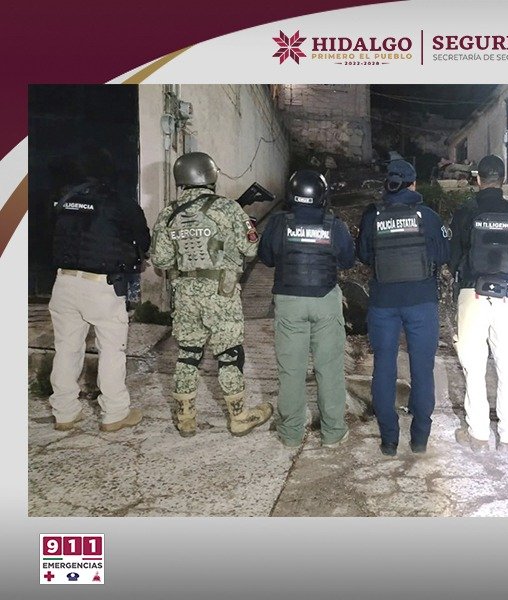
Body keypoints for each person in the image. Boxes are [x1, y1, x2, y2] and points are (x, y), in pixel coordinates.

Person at [151, 152, 272, 437]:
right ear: (211, 176)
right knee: (229, 355)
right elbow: (251, 248)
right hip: (221, 294)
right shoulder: (228, 208)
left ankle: (186, 419)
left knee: (188, 354)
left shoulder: (168, 213)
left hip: (185, 295)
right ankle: (239, 417)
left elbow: (161, 260)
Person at [48, 150, 150, 432]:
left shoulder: (63, 200)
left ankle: (65, 413)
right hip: (101, 287)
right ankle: (114, 414)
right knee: (111, 351)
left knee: (66, 349)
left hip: (64, 283)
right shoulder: (120, 202)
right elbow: (143, 240)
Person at [356, 159, 450, 456]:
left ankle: (389, 441)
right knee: (422, 369)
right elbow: (443, 253)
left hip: (383, 303)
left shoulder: (372, 216)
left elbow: (363, 254)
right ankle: (419, 439)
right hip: (421, 302)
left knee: (384, 368)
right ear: (413, 184)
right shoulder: (428, 216)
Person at [258, 170, 355, 448]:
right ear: (323, 196)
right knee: (330, 368)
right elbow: (348, 260)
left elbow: (266, 257)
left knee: (291, 371)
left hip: (289, 302)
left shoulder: (279, 223)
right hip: (325, 301)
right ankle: (333, 433)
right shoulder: (335, 225)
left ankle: (291, 434)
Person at [449, 154, 508, 453]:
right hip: (507, 295)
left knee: (473, 366)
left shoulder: (465, 212)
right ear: (504, 179)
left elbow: (453, 255)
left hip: (472, 292)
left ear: (477, 179)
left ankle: (478, 435)